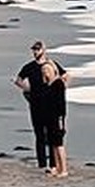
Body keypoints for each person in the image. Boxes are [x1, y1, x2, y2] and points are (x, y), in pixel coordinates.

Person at [13, 39, 65, 169]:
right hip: (35, 104)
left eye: (38, 49)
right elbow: (18, 80)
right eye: (34, 50)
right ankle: (42, 163)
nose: (35, 52)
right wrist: (27, 88)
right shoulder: (29, 67)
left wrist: (59, 88)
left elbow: (65, 75)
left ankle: (53, 163)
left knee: (52, 134)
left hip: (50, 105)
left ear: (43, 50)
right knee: (39, 134)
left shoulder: (51, 65)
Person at [37, 59, 69, 177]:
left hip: (57, 117)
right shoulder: (47, 85)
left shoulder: (58, 84)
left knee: (59, 144)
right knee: (53, 144)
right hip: (48, 118)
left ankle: (64, 169)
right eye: (43, 71)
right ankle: (57, 168)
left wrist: (61, 119)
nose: (45, 73)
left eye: (47, 70)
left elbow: (60, 103)